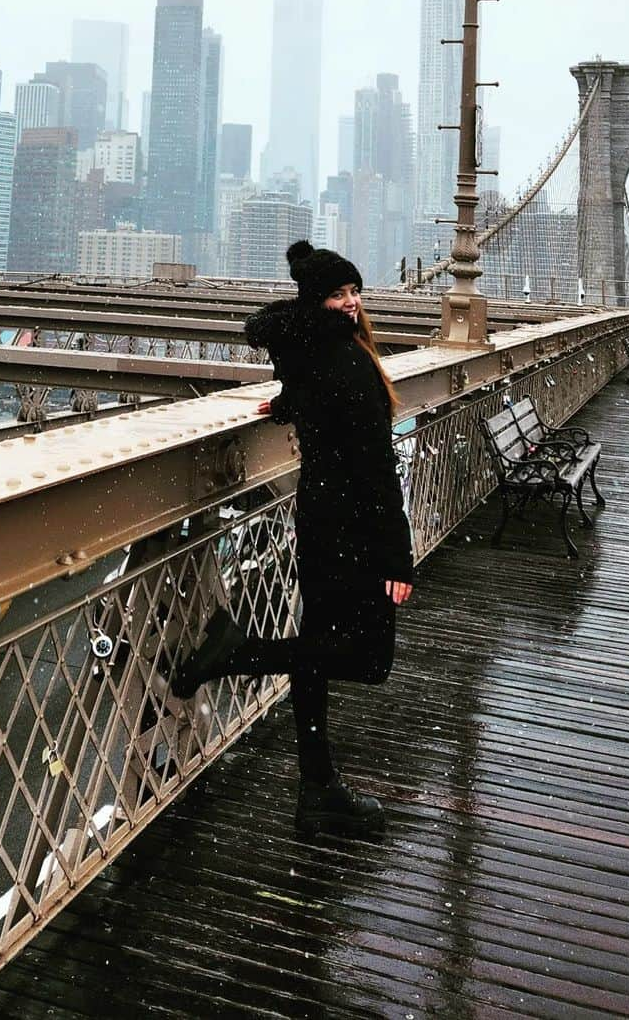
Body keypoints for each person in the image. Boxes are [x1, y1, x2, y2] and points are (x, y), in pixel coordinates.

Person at [171, 240, 414, 838]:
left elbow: (310, 402)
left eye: (355, 291)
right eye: (339, 294)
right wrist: (397, 556)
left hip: (318, 520)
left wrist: (281, 404)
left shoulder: (309, 353)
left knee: (315, 651)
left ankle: (318, 790)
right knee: (367, 659)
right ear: (317, 300)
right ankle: (236, 653)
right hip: (354, 529)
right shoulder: (350, 362)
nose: (352, 303)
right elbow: (376, 467)